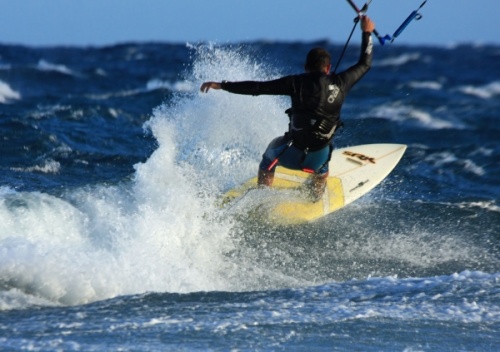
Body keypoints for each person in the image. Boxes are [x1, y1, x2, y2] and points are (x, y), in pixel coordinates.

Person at [200, 16, 375, 201]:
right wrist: (367, 32)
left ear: (306, 67)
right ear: (329, 68)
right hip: (317, 158)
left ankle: (262, 198)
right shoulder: (341, 82)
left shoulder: (295, 82)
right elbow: (365, 64)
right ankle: (315, 195)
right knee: (324, 160)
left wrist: (222, 85)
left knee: (269, 156)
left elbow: (257, 88)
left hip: (291, 154)